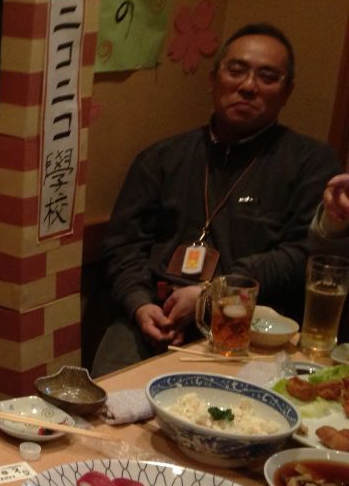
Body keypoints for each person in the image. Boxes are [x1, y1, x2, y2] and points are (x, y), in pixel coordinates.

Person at [91, 23, 341, 377]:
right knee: (107, 396)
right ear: (213, 79)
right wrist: (139, 305)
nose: (248, 86)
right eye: (236, 70)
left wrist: (213, 295)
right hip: (152, 315)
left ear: (287, 92)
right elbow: (123, 246)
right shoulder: (162, 158)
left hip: (251, 326)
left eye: (267, 77)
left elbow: (303, 253)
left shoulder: (311, 163)